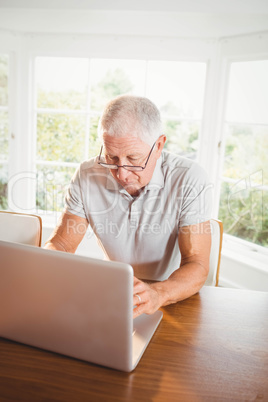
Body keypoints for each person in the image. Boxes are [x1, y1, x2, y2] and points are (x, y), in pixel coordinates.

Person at [45, 95, 212, 318]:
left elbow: (197, 264)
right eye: (111, 157)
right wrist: (43, 270)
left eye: (134, 158)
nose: (121, 174)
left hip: (169, 297)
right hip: (110, 295)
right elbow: (62, 244)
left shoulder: (190, 178)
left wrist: (156, 294)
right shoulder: (86, 174)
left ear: (159, 145)